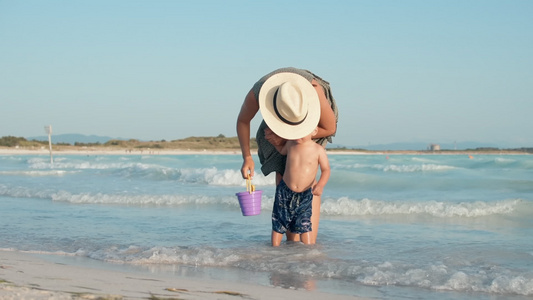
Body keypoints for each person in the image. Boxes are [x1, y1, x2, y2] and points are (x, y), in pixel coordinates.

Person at [236, 67, 338, 244]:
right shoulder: (259, 91)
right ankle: (291, 252)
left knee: (307, 173)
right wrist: (247, 157)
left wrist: (298, 136)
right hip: (274, 133)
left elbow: (329, 128)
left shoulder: (314, 91)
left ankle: (308, 249)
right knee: (285, 180)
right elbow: (243, 120)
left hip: (316, 128)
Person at [271, 126, 330, 246]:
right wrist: (274, 142)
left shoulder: (318, 149)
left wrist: (320, 185)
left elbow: (326, 170)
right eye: (296, 131)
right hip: (284, 190)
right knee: (279, 220)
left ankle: (308, 251)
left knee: (304, 223)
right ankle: (273, 249)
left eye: (303, 132)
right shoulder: (290, 144)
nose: (298, 135)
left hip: (305, 193)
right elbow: (282, 151)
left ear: (314, 131)